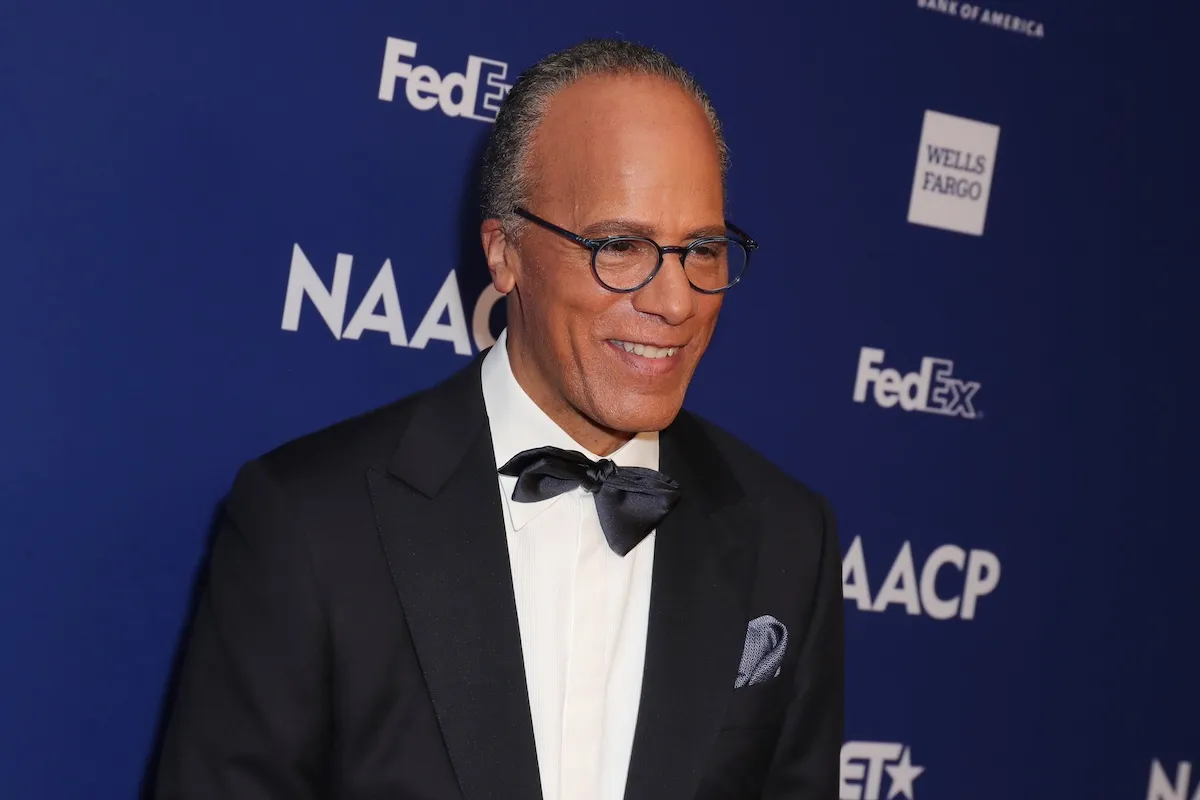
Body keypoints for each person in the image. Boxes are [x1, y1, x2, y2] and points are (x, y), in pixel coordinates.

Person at [155, 38, 843, 800]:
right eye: (620, 245)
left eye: (703, 250)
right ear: (505, 254)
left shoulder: (788, 537)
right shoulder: (311, 524)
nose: (675, 301)